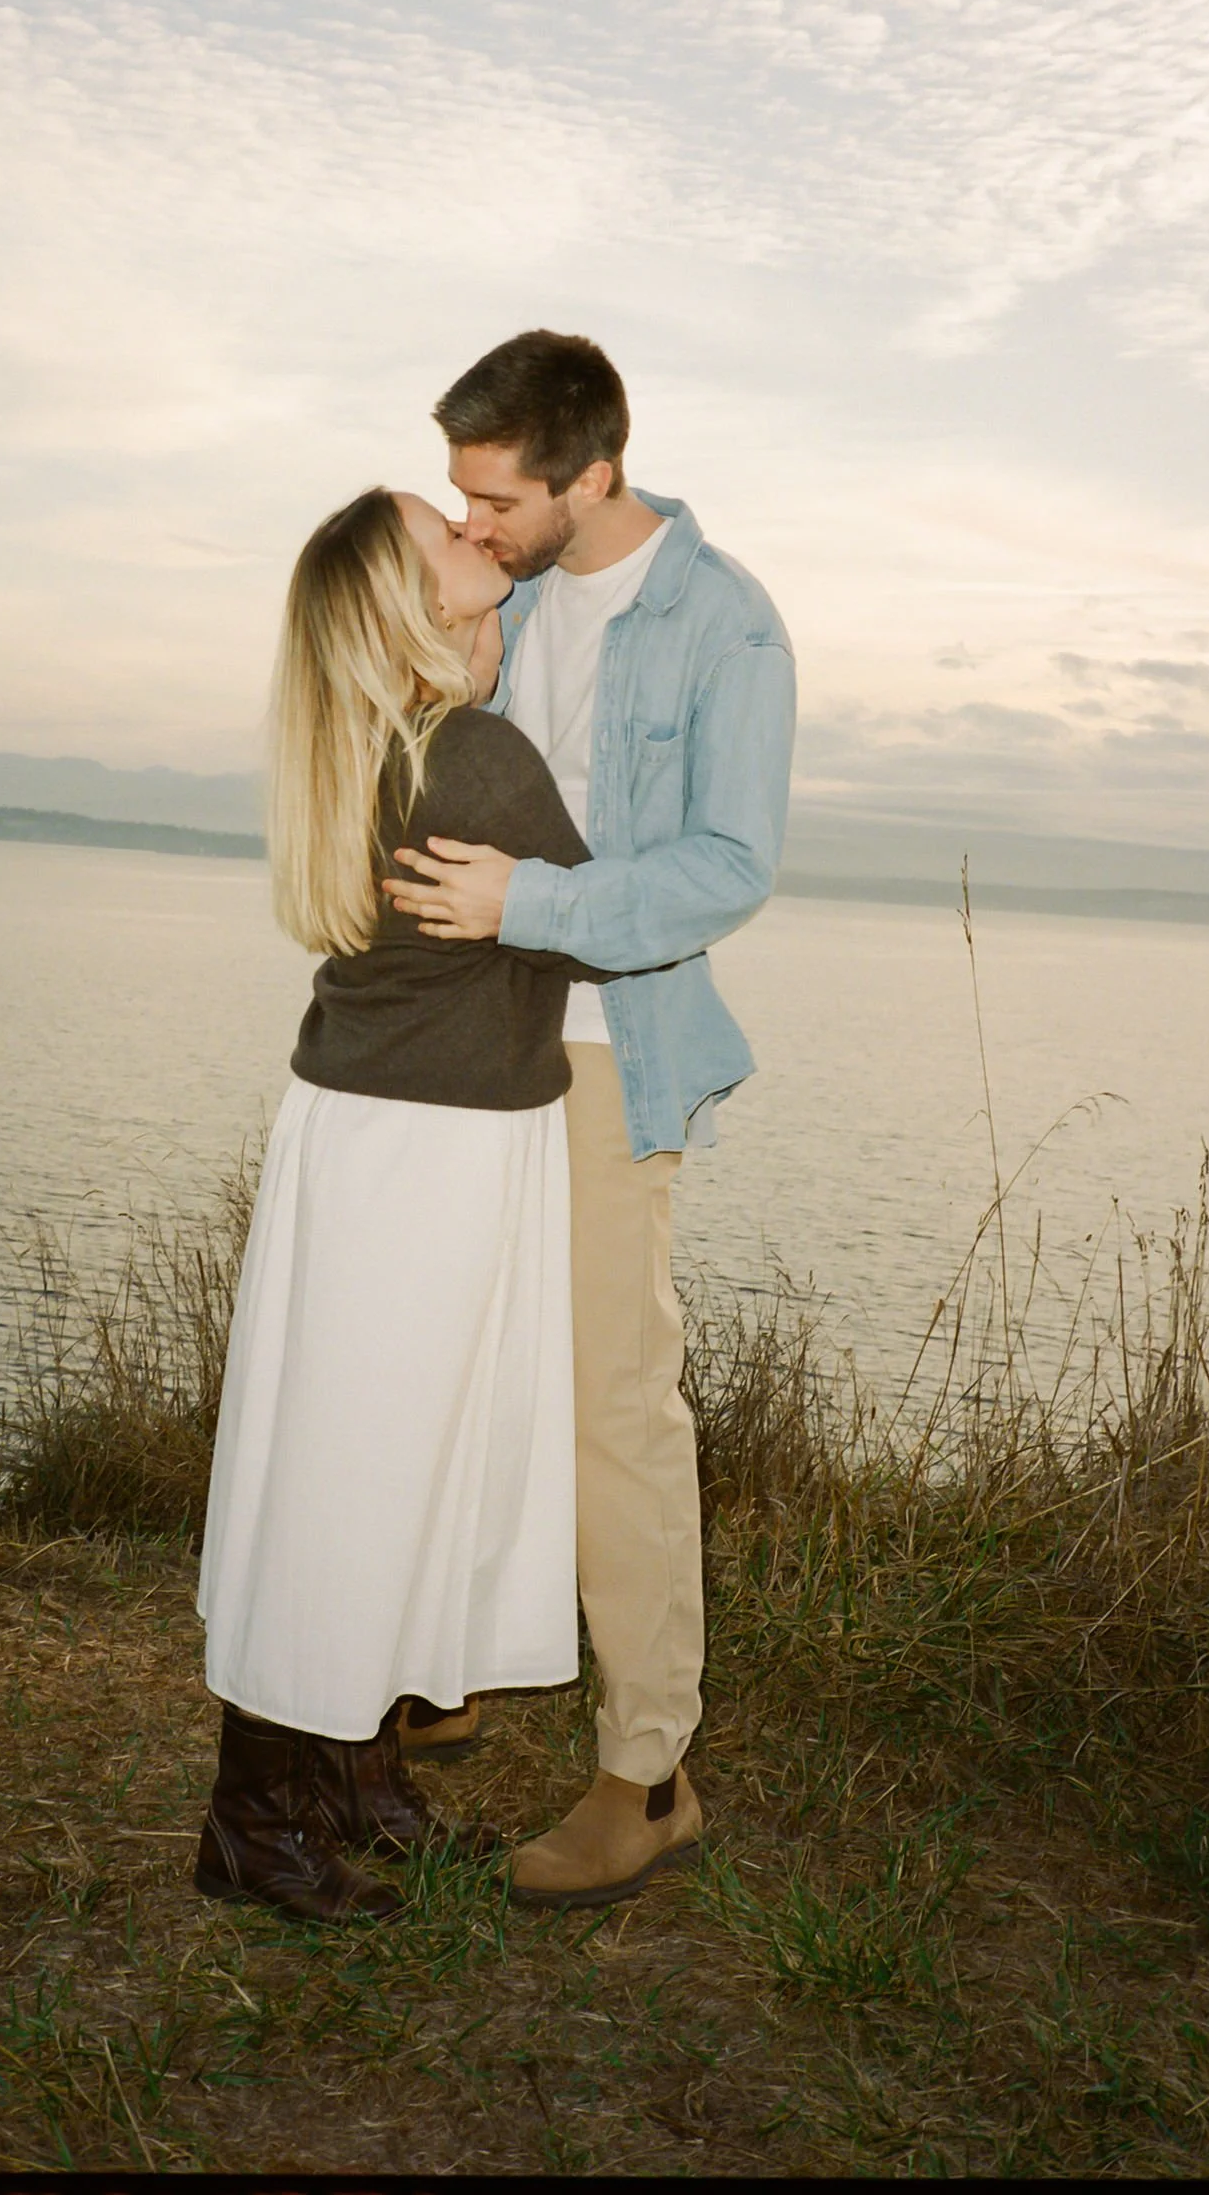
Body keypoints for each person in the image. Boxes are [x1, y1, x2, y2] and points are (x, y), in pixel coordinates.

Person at [382, 330, 796, 1910]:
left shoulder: (727, 624)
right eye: (460, 493)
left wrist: (530, 899)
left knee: (615, 1406)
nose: (470, 524)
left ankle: (649, 1770)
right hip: (465, 1035)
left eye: (495, 497)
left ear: (592, 474)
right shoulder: (518, 594)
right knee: (466, 1362)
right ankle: (465, 1663)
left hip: (608, 1047)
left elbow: (727, 866)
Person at [194, 484, 611, 1924]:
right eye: (449, 534)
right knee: (360, 1485)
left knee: (375, 1468)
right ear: (413, 602)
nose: (477, 539)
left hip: (380, 1140)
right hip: (428, 1159)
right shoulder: (474, 759)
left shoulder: (372, 749)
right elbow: (609, 928)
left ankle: (354, 1781)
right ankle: (258, 1819)